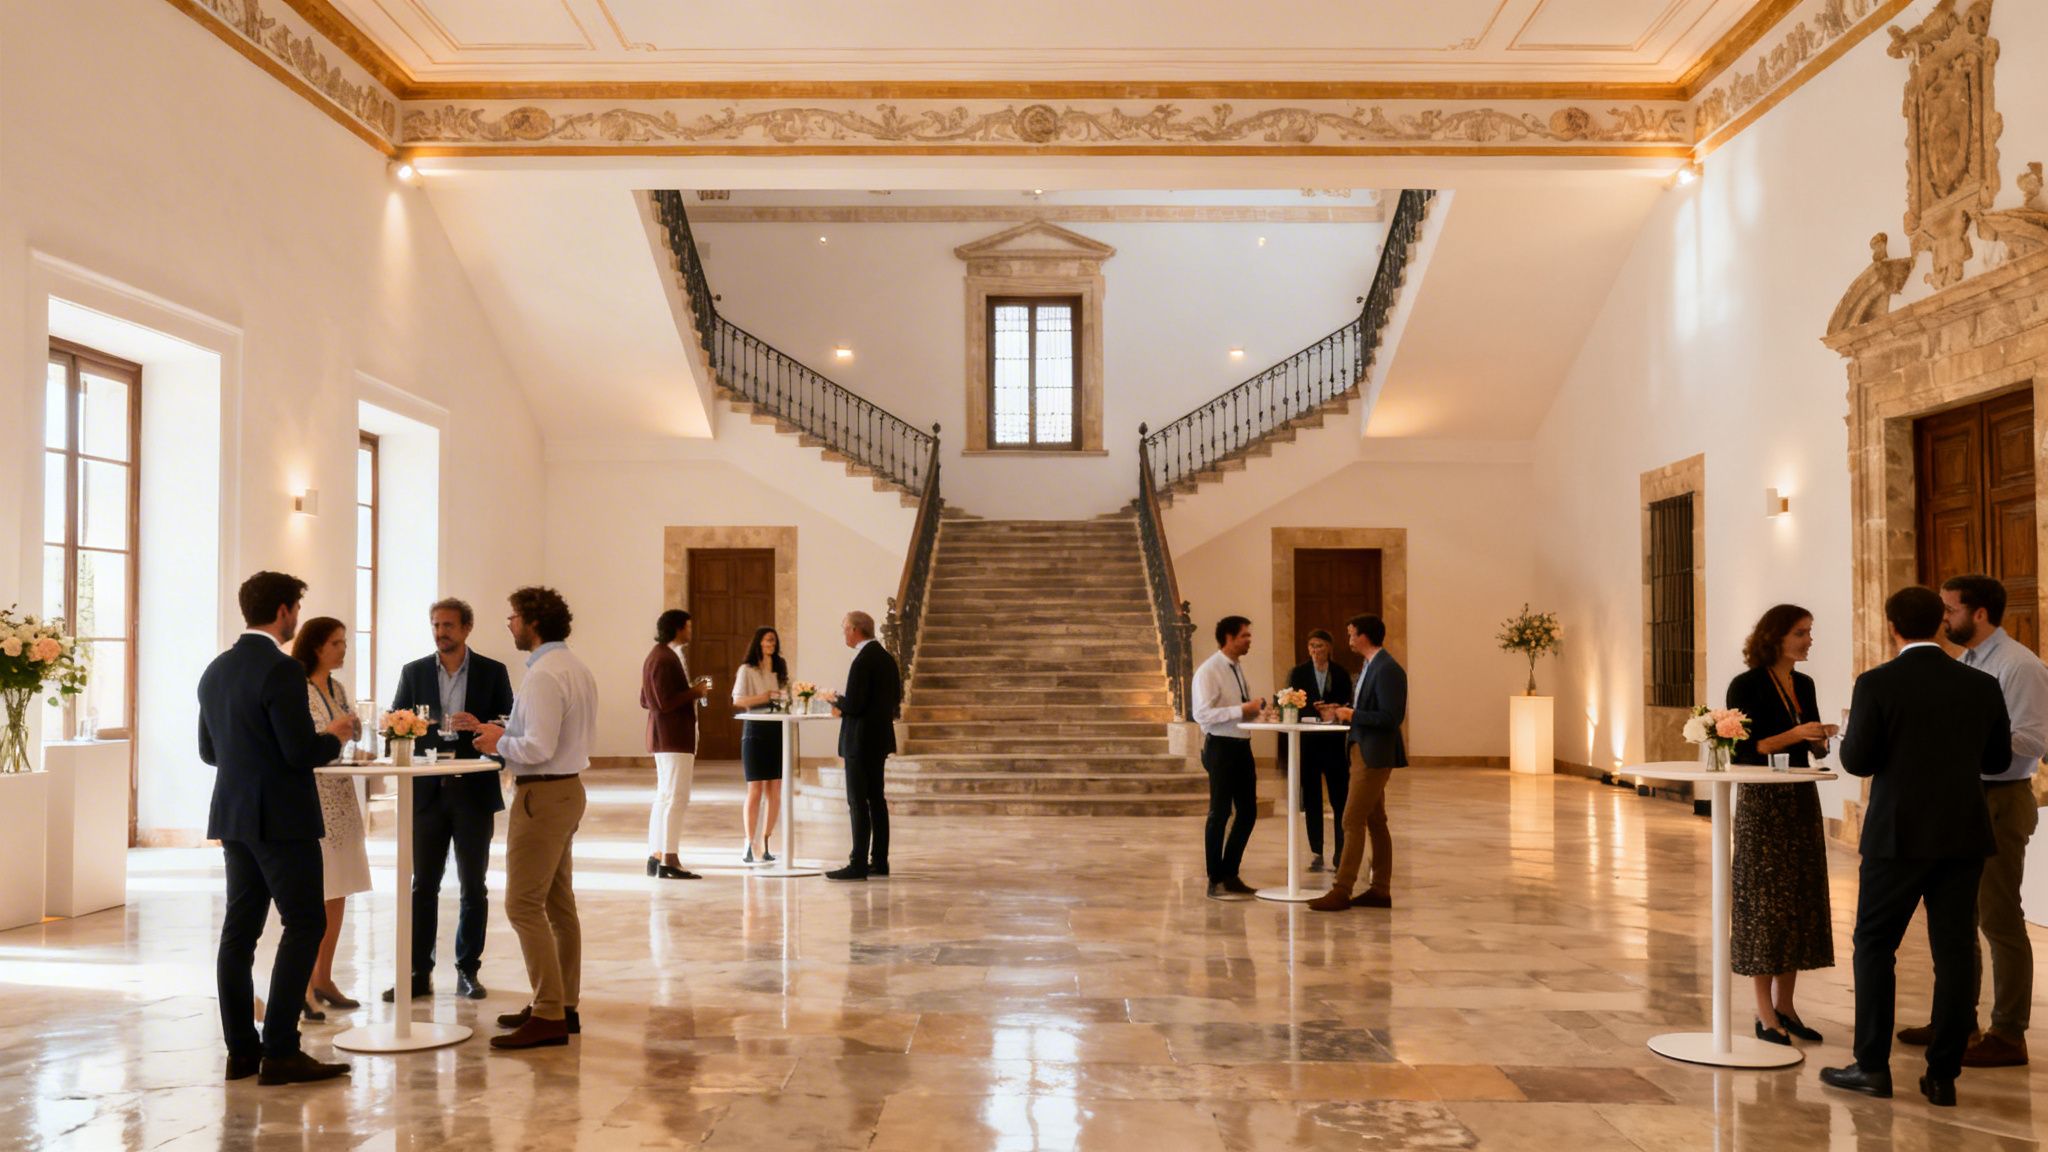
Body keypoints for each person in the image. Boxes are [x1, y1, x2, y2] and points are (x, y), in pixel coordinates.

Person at [1822, 585, 2006, 1108]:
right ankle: (1943, 1075)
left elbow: (1857, 761)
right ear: (1939, 624)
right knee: (1954, 953)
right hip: (1962, 834)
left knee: (1876, 946)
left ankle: (1872, 1067)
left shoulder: (1877, 682)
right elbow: (1994, 761)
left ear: (1892, 627)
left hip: (1896, 836)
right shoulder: (1980, 683)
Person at [198, 571, 358, 1085]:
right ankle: (282, 1051)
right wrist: (333, 736)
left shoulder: (215, 670)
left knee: (239, 934)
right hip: (283, 818)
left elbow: (208, 752)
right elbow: (300, 752)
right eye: (296, 610)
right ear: (286, 610)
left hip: (233, 814)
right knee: (305, 923)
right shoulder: (283, 671)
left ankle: (241, 1051)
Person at [1900, 574, 2047, 1068]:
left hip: (2000, 800)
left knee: (2000, 918)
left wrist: (1960, 753)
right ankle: (1957, 1019)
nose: (1943, 617)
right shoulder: (1968, 661)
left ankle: (2008, 1033)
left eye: (1950, 609)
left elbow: (2030, 743)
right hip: (1965, 797)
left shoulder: (2019, 666)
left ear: (1979, 613)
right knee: (1957, 917)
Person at [476, 586, 599, 1050]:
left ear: (532, 621)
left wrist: (498, 742)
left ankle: (548, 1014)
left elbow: (538, 748)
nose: (508, 625)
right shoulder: (573, 667)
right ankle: (563, 1004)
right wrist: (506, 731)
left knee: (523, 904)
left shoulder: (546, 674)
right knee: (557, 904)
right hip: (565, 791)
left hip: (542, 796)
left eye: (512, 617)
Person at [385, 598, 516, 1002]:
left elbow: (509, 724)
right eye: (436, 625)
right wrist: (405, 728)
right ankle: (418, 972)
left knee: (473, 887)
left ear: (466, 628)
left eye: (448, 625)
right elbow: (394, 726)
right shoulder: (414, 672)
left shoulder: (493, 672)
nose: (441, 632)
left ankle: (467, 971)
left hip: (473, 793)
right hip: (427, 793)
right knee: (422, 885)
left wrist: (481, 726)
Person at [1724, 605, 1837, 1046]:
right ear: (1775, 637)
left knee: (1797, 899)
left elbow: (1808, 744)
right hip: (1762, 804)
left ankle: (1787, 1006)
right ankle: (1764, 1012)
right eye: (1800, 632)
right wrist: (1796, 734)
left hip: (1799, 798)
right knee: (1763, 905)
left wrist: (1822, 737)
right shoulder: (1747, 684)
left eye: (1810, 632)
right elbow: (1743, 749)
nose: (1808, 640)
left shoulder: (1803, 683)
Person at [291, 617, 372, 1023]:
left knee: (338, 890)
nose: (343, 649)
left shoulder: (337, 688)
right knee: (314, 892)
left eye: (344, 642)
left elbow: (346, 731)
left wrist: (356, 734)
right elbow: (308, 739)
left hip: (341, 794)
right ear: (317, 646)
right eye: (336, 643)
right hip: (314, 797)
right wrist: (338, 731)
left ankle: (324, 977)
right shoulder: (299, 688)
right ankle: (303, 983)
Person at [1308, 614, 1405, 912]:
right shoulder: (1370, 665)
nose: (1348, 638)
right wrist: (1344, 710)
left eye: (1352, 633)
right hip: (1362, 749)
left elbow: (1391, 718)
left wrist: (1354, 716)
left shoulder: (1388, 669)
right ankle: (1380, 890)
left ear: (1364, 636)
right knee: (1375, 820)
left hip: (1374, 754)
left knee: (1351, 819)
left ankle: (1342, 889)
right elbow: (1371, 709)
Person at [822, 611, 901, 881]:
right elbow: (895, 699)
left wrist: (835, 700)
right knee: (876, 799)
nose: (844, 633)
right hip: (879, 739)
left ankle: (857, 863)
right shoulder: (887, 658)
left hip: (860, 740)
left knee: (857, 801)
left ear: (856, 630)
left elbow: (855, 704)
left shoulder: (863, 660)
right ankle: (879, 860)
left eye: (845, 628)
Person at [1193, 616, 1266, 900]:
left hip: (1241, 746)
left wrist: (1257, 712)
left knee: (1248, 811)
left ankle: (1230, 872)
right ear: (1228, 637)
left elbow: (1240, 709)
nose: (1249, 640)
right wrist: (1241, 710)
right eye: (1244, 636)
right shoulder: (1209, 670)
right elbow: (1202, 715)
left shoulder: (1236, 668)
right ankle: (1215, 878)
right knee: (1219, 813)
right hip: (1221, 747)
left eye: (1249, 635)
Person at [641, 609, 710, 880]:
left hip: (665, 736)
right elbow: (662, 702)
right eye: (688, 627)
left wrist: (688, 692)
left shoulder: (657, 656)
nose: (690, 632)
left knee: (664, 797)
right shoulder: (664, 658)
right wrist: (696, 691)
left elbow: (646, 700)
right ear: (677, 628)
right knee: (677, 798)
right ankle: (669, 859)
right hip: (672, 737)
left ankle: (656, 854)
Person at [1285, 629, 1353, 872]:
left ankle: (1340, 849)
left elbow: (1348, 701)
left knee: (1339, 797)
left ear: (1329, 649)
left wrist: (1334, 708)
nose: (1315, 650)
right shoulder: (1299, 672)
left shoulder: (1341, 673)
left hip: (1334, 743)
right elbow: (1290, 705)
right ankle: (1316, 849)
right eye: (1312, 646)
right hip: (1310, 743)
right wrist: (1311, 710)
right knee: (1312, 797)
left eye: (1320, 646)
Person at [731, 625, 790, 864]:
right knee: (755, 789)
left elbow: (786, 694)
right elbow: (737, 700)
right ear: (758, 642)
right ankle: (748, 842)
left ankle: (765, 842)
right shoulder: (746, 669)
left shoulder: (781, 667)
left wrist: (784, 698)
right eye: (767, 640)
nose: (771, 644)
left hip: (777, 728)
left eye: (774, 641)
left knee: (774, 789)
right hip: (755, 729)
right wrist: (764, 697)